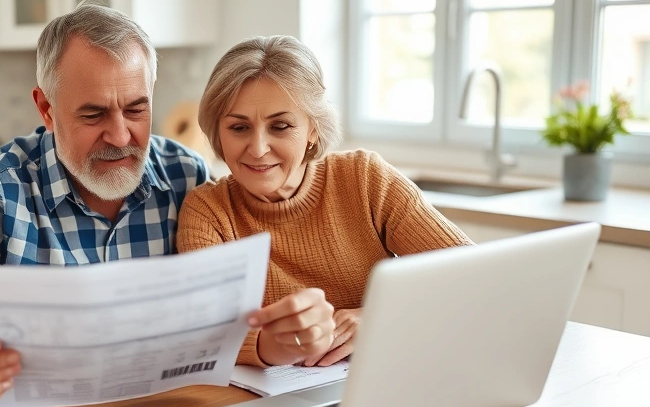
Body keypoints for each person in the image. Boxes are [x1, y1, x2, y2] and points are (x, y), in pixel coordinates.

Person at [0, 0, 209, 407]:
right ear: (46, 109)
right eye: (93, 114)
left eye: (136, 109)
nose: (120, 136)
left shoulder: (186, 178)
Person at [176, 36, 472, 369]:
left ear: (313, 130)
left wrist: (378, 318)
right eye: (239, 127)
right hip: (276, 398)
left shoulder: (364, 178)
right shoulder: (208, 211)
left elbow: (471, 274)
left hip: (388, 373)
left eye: (281, 126)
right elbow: (204, 333)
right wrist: (276, 345)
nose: (257, 148)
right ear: (218, 132)